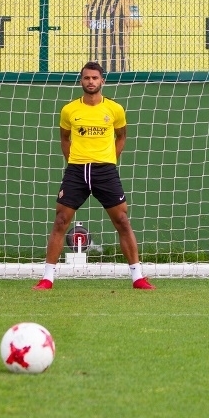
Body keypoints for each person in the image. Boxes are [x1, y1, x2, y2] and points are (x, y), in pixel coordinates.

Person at [33, 61, 155, 290]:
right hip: (76, 171)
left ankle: (138, 277)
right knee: (60, 221)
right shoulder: (69, 110)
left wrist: (110, 159)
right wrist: (73, 161)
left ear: (102, 81)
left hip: (105, 171)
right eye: (87, 78)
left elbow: (121, 136)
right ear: (81, 81)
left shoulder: (115, 109)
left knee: (122, 221)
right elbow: (64, 139)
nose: (91, 81)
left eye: (95, 78)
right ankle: (47, 278)